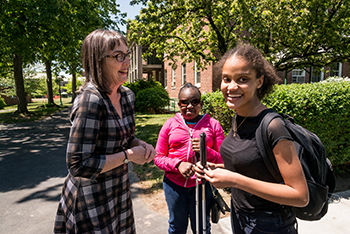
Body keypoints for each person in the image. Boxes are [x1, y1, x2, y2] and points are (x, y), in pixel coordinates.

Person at [195, 44, 309, 234]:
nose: (231, 87)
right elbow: (254, 168)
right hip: (241, 217)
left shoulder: (273, 126)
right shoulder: (238, 118)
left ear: (259, 81)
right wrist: (217, 169)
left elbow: (300, 195)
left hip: (270, 225)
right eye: (226, 79)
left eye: (243, 79)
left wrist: (234, 179)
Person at [54, 29, 156, 234]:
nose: (127, 61)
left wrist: (139, 145)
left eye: (127, 55)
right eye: (119, 56)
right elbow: (78, 164)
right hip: (91, 199)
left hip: (118, 191)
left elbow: (125, 138)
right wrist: (128, 156)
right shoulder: (90, 100)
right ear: (98, 61)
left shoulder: (127, 96)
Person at [154, 83, 225, 234]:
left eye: (195, 102)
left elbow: (224, 160)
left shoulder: (213, 125)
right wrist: (177, 164)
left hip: (203, 186)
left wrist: (206, 151)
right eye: (184, 102)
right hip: (174, 186)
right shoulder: (169, 125)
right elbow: (158, 157)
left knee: (201, 228)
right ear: (178, 103)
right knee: (176, 227)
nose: (189, 106)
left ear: (201, 104)